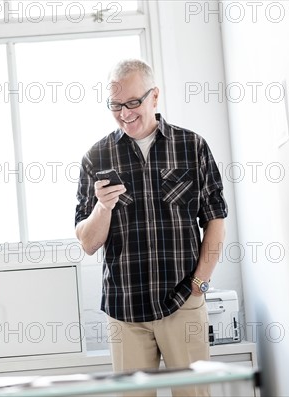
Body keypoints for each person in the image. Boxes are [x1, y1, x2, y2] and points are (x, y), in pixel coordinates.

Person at [75, 59, 228, 397]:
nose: (125, 113)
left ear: (154, 97)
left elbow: (215, 218)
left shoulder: (192, 147)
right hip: (125, 309)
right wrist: (103, 207)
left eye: (133, 102)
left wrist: (200, 283)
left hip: (182, 301)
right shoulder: (96, 158)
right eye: (115, 106)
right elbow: (87, 242)